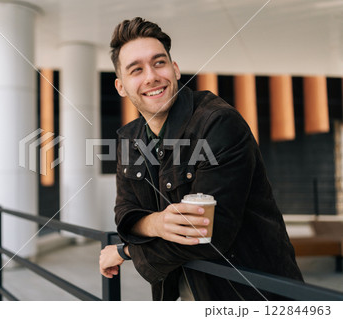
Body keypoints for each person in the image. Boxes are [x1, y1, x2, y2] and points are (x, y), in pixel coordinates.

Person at [99, 17, 303, 301]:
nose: (151, 76)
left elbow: (209, 234)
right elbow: (125, 213)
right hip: (180, 291)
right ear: (121, 87)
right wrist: (156, 223)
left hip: (246, 292)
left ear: (175, 69)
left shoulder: (217, 123)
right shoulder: (129, 139)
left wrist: (126, 250)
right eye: (136, 69)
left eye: (159, 63)